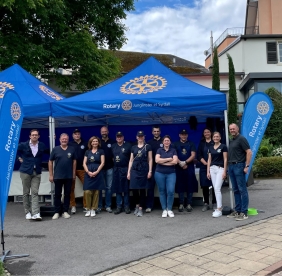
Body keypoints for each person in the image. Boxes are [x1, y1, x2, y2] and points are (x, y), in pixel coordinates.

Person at [17, 129, 48, 220]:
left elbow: (50, 151)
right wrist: (19, 157)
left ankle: (36, 213)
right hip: (25, 171)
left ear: (38, 136)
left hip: (37, 171)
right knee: (26, 192)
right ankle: (27, 211)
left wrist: (53, 140)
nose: (34, 136)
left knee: (35, 192)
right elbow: (13, 150)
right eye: (33, 135)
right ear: (30, 136)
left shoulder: (41, 145)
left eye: (36, 135)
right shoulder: (23, 145)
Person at [227, 123, 252, 221]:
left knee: (242, 190)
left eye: (233, 129)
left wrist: (247, 166)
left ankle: (244, 212)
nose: (232, 130)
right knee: (236, 190)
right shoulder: (232, 140)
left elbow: (249, 152)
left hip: (239, 166)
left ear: (237, 129)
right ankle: (237, 210)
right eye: (230, 129)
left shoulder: (241, 139)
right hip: (232, 166)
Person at [49, 133, 76, 220]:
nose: (64, 140)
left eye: (66, 139)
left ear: (68, 140)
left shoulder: (72, 149)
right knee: (57, 194)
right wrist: (51, 174)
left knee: (67, 194)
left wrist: (73, 173)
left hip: (68, 176)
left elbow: (74, 161)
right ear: (60, 139)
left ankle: (65, 211)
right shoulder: (55, 149)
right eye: (63, 139)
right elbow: (50, 161)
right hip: (58, 176)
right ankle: (57, 212)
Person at [127, 131, 153, 217]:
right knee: (134, 189)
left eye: (142, 136)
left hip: (144, 169)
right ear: (136, 137)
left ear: (144, 137)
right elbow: (131, 160)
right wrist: (129, 172)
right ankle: (137, 206)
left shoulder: (147, 147)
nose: (140, 137)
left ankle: (141, 208)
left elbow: (150, 159)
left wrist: (150, 171)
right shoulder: (133, 147)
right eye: (139, 136)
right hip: (134, 170)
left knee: (142, 189)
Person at [174, 129, 198, 212]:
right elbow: (174, 155)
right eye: (182, 134)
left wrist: (185, 162)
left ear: (187, 135)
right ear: (179, 135)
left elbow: (193, 155)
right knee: (180, 185)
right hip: (179, 167)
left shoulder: (191, 143)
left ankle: (189, 204)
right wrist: (180, 163)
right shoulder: (175, 144)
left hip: (189, 167)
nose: (183, 136)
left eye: (185, 134)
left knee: (190, 185)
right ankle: (181, 204)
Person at [155, 135, 178, 218]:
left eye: (168, 140)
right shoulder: (159, 150)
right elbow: (157, 160)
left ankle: (170, 209)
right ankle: (164, 209)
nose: (166, 142)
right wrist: (169, 159)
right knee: (162, 191)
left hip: (171, 173)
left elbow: (175, 162)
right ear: (163, 142)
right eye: (165, 140)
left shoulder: (173, 150)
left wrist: (163, 162)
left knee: (171, 191)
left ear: (170, 142)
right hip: (159, 173)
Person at [207, 132, 228, 218]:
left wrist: (225, 171)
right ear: (212, 138)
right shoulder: (210, 148)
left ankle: (219, 209)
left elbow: (225, 159)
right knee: (215, 189)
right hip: (212, 169)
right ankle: (219, 207)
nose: (216, 138)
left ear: (220, 138)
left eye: (217, 136)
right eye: (214, 136)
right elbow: (209, 160)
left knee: (217, 188)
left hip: (220, 169)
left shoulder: (223, 146)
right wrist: (208, 171)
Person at [83, 136, 105, 217]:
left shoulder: (101, 151)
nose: (95, 143)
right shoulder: (87, 152)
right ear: (91, 143)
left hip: (98, 172)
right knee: (87, 191)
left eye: (96, 141)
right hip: (88, 173)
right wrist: (88, 172)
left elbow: (102, 163)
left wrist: (97, 171)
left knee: (96, 192)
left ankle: (93, 209)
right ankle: (88, 209)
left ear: (98, 142)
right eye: (93, 141)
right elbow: (84, 163)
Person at [111, 131, 132, 214]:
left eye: (120, 136)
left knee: (126, 189)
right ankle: (119, 206)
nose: (119, 138)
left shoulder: (128, 146)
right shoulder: (113, 146)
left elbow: (131, 157)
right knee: (117, 189)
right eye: (117, 137)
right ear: (116, 138)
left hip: (125, 169)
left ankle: (126, 206)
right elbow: (112, 157)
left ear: (123, 137)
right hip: (116, 169)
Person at [68, 129, 88, 214]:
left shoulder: (85, 143)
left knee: (86, 187)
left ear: (80, 135)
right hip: (71, 169)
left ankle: (86, 205)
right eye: (75, 134)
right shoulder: (69, 144)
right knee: (71, 188)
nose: (77, 135)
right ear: (73, 136)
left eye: (78, 134)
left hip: (82, 168)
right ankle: (73, 205)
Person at [197, 128, 217, 211]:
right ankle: (206, 203)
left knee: (214, 185)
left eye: (208, 132)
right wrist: (205, 163)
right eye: (205, 132)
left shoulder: (214, 142)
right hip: (203, 167)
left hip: (214, 166)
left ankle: (214, 202)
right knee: (204, 185)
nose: (206, 133)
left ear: (211, 133)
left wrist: (210, 164)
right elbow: (199, 155)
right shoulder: (202, 143)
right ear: (203, 134)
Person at [98, 126, 115, 213]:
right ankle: (99, 206)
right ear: (100, 132)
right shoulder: (98, 142)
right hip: (100, 169)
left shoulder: (112, 142)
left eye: (105, 131)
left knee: (109, 188)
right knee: (100, 188)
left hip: (109, 168)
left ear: (108, 132)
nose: (104, 132)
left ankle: (108, 206)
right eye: (102, 131)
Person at [146, 126, 162, 213]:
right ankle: (149, 206)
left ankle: (164, 206)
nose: (156, 132)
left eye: (157, 131)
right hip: (152, 167)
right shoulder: (149, 143)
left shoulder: (164, 141)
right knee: (150, 188)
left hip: (162, 167)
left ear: (160, 132)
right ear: (152, 132)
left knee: (162, 188)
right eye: (154, 131)